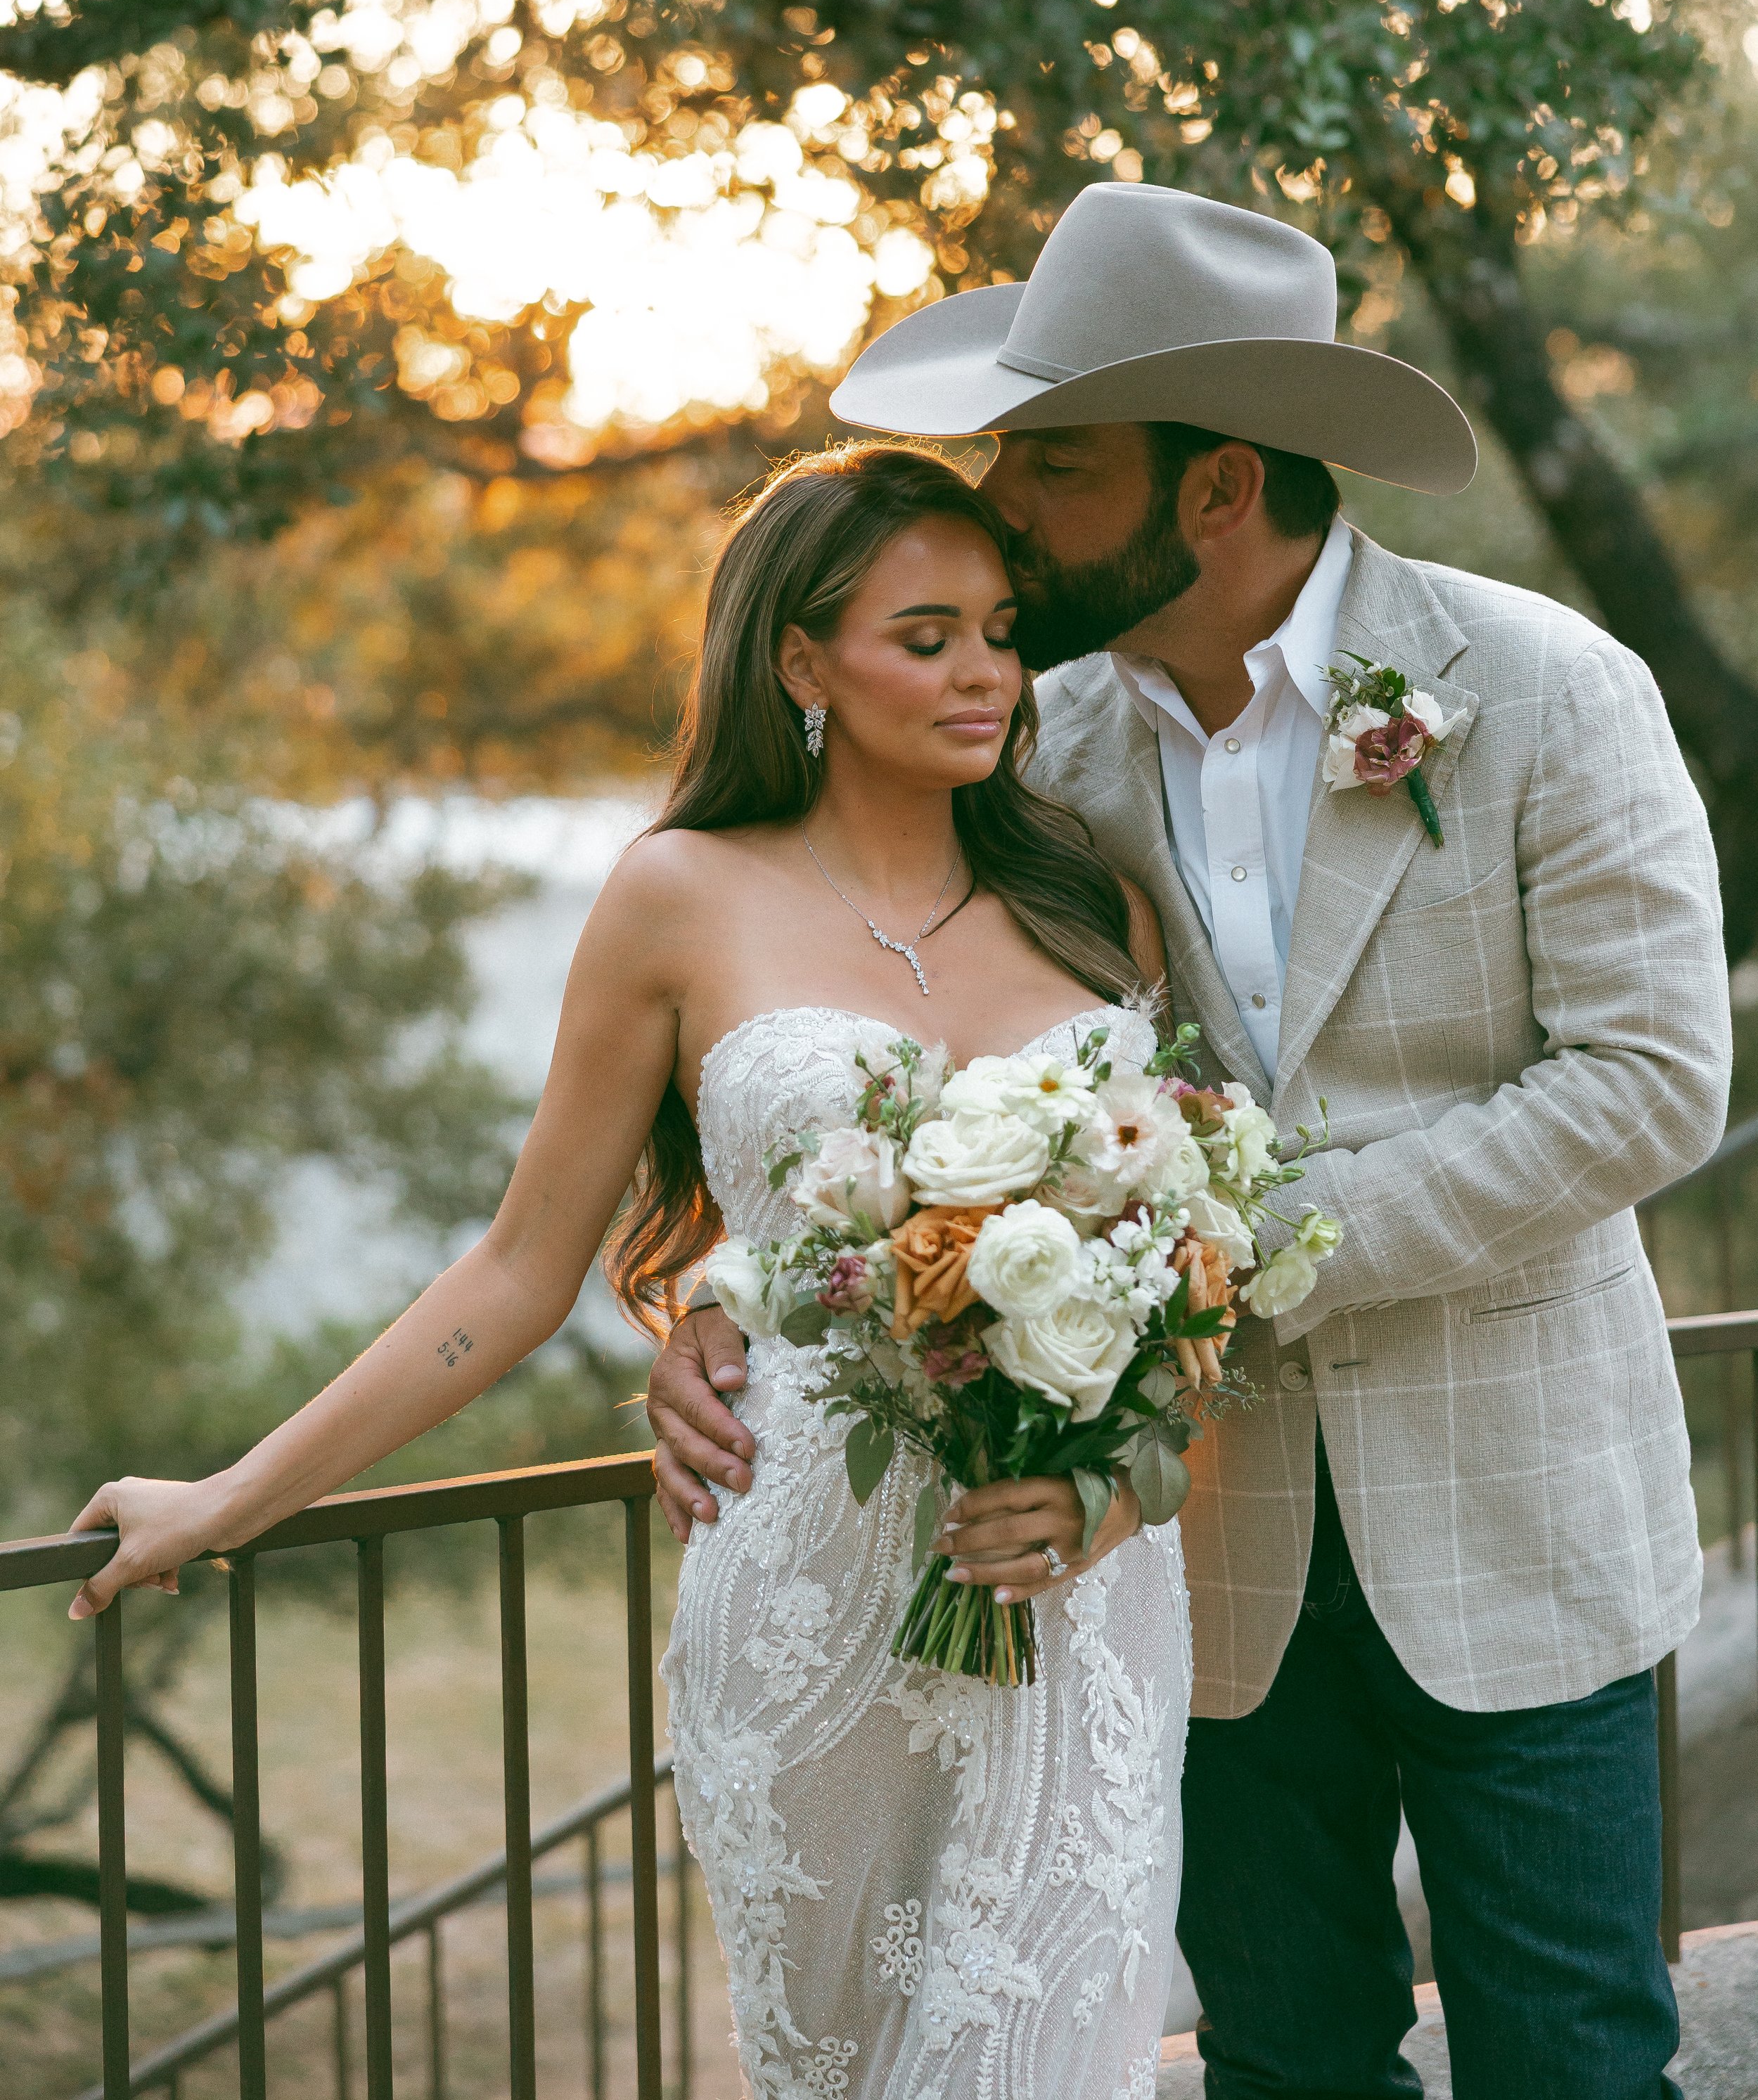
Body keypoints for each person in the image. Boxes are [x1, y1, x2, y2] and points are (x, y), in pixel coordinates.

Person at [649, 186, 1732, 2100]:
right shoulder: (1037, 744)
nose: (1000, 507)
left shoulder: (1549, 688)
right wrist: (758, 1289)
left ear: (1214, 485)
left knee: (1573, 2056)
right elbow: (929, 1050)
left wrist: (1239, 1242)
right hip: (1189, 1542)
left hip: (1523, 1519)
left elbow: (1647, 1082)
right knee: (1287, 2060)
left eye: (1051, 463)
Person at [68, 444, 1190, 2100]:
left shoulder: (1089, 895)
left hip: (1066, 1599)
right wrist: (234, 1498)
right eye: (925, 634)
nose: (983, 676)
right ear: (800, 660)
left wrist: (1111, 1502)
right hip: (807, 1591)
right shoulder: (679, 896)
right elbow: (518, 1274)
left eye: (1000, 631)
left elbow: (1186, 1277)